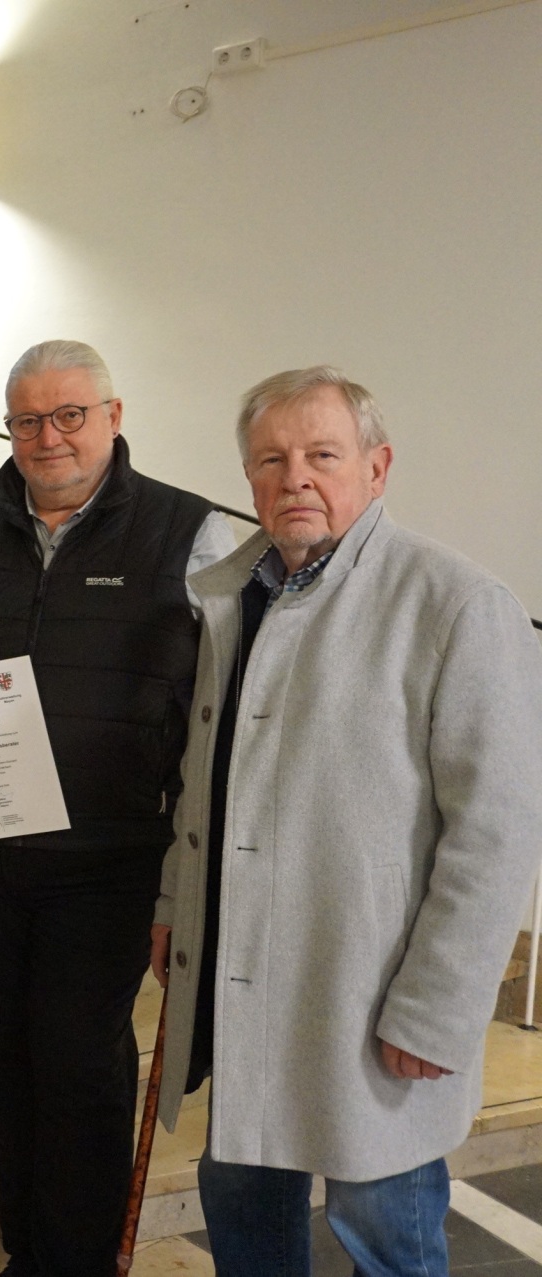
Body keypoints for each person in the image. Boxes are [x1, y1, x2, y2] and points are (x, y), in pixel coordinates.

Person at [149, 367, 542, 1276]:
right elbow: (201, 780)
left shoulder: (454, 603)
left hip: (372, 1002)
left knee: (389, 1242)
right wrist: (177, 904)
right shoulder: (231, 595)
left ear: (377, 465)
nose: (296, 478)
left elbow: (496, 833)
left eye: (322, 455)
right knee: (245, 1227)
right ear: (249, 479)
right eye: (272, 460)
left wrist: (437, 1011)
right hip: (241, 987)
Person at [0, 339, 235, 1277]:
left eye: (70, 414)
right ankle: (29, 1245)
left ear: (114, 417)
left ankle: (78, 1260)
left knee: (79, 1058)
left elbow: (222, 697)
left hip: (111, 853)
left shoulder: (185, 532)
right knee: (2, 1043)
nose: (49, 436)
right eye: (28, 419)